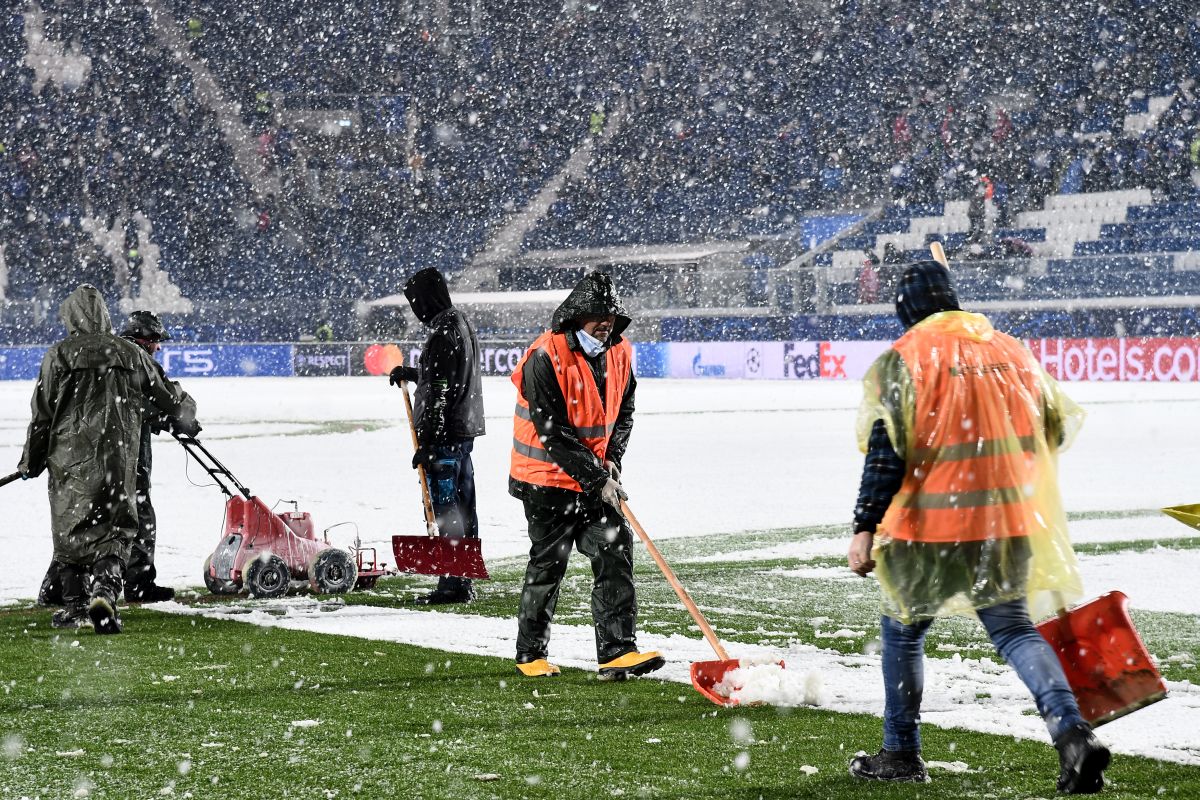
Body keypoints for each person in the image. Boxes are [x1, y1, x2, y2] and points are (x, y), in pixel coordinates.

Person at [847, 260, 1110, 794]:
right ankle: (1072, 733)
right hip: (1007, 522)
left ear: (907, 308)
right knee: (1014, 630)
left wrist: (864, 526)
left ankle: (901, 751)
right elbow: (1053, 427)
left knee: (902, 630)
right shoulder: (1011, 351)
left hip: (929, 529)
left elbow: (886, 451)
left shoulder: (906, 359)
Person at [509, 271, 664, 681]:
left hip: (594, 478)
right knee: (548, 565)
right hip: (545, 479)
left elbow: (624, 412)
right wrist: (598, 478)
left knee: (615, 552)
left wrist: (612, 460)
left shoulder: (620, 352)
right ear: (577, 316)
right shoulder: (545, 356)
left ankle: (616, 652)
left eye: (612, 318)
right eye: (598, 316)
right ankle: (530, 654)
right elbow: (552, 432)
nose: (606, 324)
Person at [20, 287, 191, 634]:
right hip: (117, 456)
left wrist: (32, 460)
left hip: (68, 460)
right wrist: (187, 416)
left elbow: (42, 415)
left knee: (70, 531)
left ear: (71, 317)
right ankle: (105, 591)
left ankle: (75, 605)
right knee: (115, 529)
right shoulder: (130, 353)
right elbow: (169, 395)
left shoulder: (59, 355)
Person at [388, 267, 485, 605]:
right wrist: (414, 374)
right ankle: (463, 576)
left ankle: (453, 584)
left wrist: (429, 444)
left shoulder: (443, 332)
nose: (416, 310)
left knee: (447, 509)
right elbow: (447, 377)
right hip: (463, 434)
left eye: (416, 302)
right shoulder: (460, 324)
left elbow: (442, 392)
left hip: (445, 439)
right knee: (464, 507)